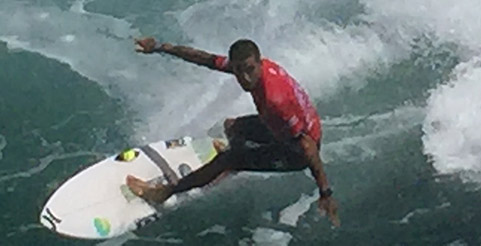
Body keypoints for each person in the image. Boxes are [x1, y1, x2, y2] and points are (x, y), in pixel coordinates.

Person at [126, 36, 340, 226]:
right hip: (286, 128)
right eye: (238, 71)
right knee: (231, 126)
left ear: (259, 63)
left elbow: (308, 147)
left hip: (297, 152)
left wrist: (325, 192)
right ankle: (233, 159)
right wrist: (160, 47)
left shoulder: (275, 101)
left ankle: (164, 192)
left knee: (228, 159)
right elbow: (205, 59)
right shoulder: (254, 67)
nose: (245, 78)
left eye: (249, 70)